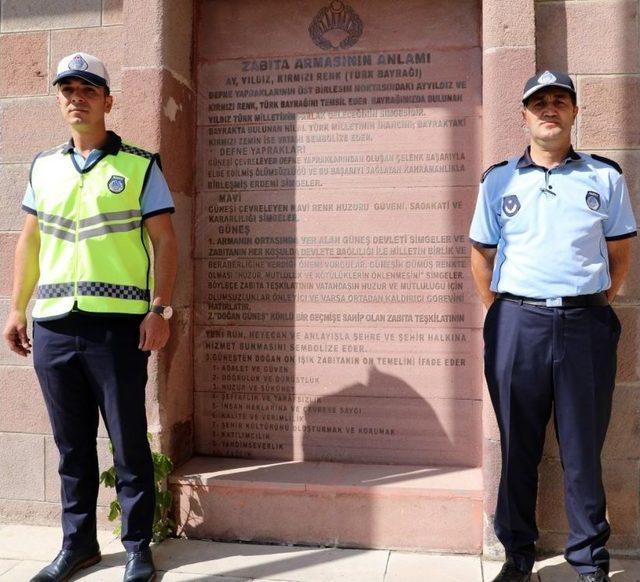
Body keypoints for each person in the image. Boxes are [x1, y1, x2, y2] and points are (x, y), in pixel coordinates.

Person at [2, 52, 178, 582]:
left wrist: (160, 309)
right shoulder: (43, 167)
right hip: (54, 324)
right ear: (59, 100)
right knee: (71, 446)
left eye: (87, 89)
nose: (76, 97)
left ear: (107, 100)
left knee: (127, 442)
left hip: (117, 326)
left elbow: (166, 243)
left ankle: (137, 548)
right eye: (67, 90)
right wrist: (16, 308)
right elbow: (29, 243)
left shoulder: (140, 165)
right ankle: (77, 545)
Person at [469, 71, 636, 582]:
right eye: (539, 102)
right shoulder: (498, 180)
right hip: (518, 323)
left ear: (574, 113)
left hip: (585, 323)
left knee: (583, 449)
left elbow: (619, 252)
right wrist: (505, 310)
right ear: (523, 115)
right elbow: (482, 253)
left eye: (560, 101)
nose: (550, 109)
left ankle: (589, 562)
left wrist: (593, 302)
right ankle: (517, 556)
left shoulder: (604, 178)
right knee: (518, 444)